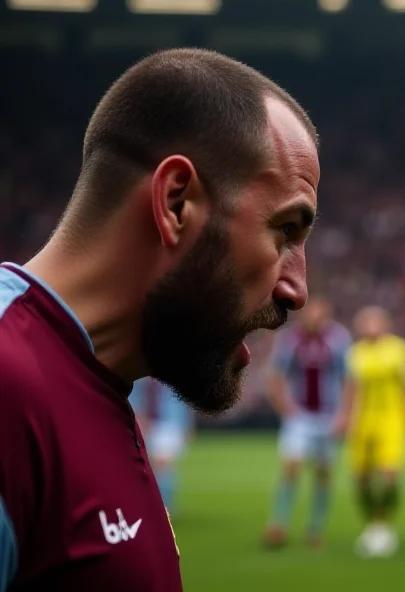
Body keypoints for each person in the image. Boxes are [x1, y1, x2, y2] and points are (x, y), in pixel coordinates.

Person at [0, 48, 319, 591]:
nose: (297, 290)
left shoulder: (96, 380)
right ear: (175, 203)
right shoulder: (7, 387)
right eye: (285, 230)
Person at [335, 306, 405, 558]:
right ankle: (372, 524)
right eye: (365, 322)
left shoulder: (400, 350)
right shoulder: (355, 353)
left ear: (385, 324)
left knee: (390, 475)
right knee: (360, 479)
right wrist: (344, 417)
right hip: (362, 421)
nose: (370, 326)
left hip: (392, 419)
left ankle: (384, 523)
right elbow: (351, 388)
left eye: (374, 321)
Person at [262, 297, 351, 549]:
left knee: (323, 474)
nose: (315, 318)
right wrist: (285, 407)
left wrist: (345, 414)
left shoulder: (337, 340)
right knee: (291, 468)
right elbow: (275, 375)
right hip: (300, 416)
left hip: (328, 415)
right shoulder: (291, 340)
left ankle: (316, 527)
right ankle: (278, 524)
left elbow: (349, 379)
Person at [129, 377, 193, 516]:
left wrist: (186, 427)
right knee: (148, 467)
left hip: (168, 425)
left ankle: (165, 507)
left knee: (163, 466)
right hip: (147, 425)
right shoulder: (141, 379)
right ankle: (154, 506)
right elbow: (135, 399)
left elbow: (182, 405)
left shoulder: (172, 379)